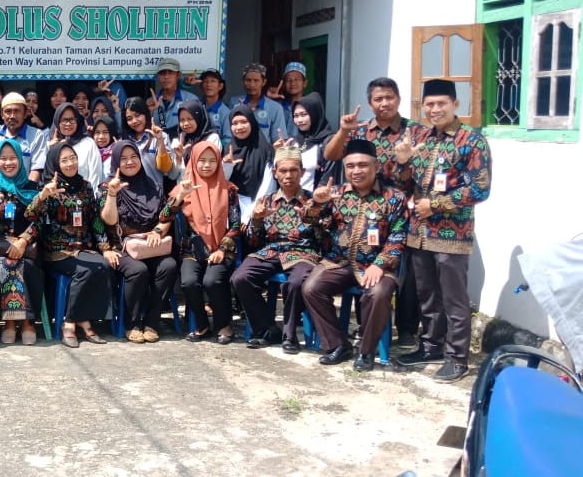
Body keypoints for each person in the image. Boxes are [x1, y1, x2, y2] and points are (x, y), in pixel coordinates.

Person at [395, 79, 492, 383]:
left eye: (441, 104)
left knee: (454, 299)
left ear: (455, 105)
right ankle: (431, 347)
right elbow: (406, 183)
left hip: (452, 234)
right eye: (429, 104)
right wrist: (403, 161)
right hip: (419, 233)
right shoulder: (420, 137)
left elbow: (480, 188)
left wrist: (434, 205)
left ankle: (457, 358)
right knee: (427, 296)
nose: (435, 109)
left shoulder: (471, 140)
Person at [323, 77, 429, 348]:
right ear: (370, 103)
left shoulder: (416, 131)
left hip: (401, 209)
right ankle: (365, 327)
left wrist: (407, 163)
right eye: (378, 99)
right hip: (362, 208)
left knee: (406, 270)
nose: (384, 103)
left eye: (389, 97)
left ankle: (406, 328)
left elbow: (425, 171)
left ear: (399, 99)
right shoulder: (360, 131)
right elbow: (331, 155)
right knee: (362, 262)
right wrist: (343, 131)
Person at [302, 139, 408, 371]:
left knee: (378, 294)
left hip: (377, 265)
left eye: (362, 165)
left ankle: (366, 351)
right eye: (350, 166)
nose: (356, 171)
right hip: (338, 261)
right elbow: (308, 221)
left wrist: (380, 264)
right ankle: (338, 344)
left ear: (376, 166)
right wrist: (316, 203)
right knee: (311, 288)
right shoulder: (336, 193)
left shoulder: (394, 197)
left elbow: (398, 237)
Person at [230, 146, 321, 351]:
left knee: (296, 282)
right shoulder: (266, 201)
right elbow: (253, 241)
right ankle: (267, 329)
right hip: (271, 251)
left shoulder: (313, 202)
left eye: (293, 170)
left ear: (302, 172)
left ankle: (290, 335)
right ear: (275, 173)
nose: (288, 175)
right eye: (283, 170)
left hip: (303, 253)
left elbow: (324, 241)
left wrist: (314, 219)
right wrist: (256, 220)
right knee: (240, 278)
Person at [27, 142, 115, 348]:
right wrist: (43, 196)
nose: (70, 164)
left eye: (73, 158)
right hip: (57, 250)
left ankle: (80, 319)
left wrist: (105, 248)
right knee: (86, 271)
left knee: (105, 265)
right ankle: (69, 323)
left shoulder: (86, 186)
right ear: (56, 164)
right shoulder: (49, 187)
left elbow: (95, 219)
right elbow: (30, 215)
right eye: (64, 160)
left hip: (82, 247)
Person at [99, 141, 178, 343]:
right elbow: (109, 220)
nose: (130, 162)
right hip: (120, 247)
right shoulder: (107, 186)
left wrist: (157, 231)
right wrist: (113, 194)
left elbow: (165, 217)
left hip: (150, 246)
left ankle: (152, 321)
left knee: (169, 266)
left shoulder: (152, 186)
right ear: (116, 162)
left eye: (134, 157)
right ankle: (132, 323)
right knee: (138, 270)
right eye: (123, 159)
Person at [163, 142, 240, 344]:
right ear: (193, 162)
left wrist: (222, 249)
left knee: (211, 281)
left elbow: (235, 224)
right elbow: (164, 216)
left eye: (212, 161)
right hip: (192, 251)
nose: (207, 165)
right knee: (189, 282)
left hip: (221, 249)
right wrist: (181, 195)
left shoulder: (229, 189)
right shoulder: (184, 187)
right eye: (202, 160)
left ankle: (224, 324)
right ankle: (202, 324)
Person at [0, 139, 43, 345]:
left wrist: (23, 241)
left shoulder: (31, 186)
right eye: (3, 158)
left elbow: (39, 220)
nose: (8, 163)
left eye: (13, 158)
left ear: (20, 160)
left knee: (27, 266)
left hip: (27, 248)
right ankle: (18, 322)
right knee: (7, 264)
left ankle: (19, 321)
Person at [32, 102, 104, 187]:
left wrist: (93, 194)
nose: (68, 124)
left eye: (72, 119)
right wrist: (50, 149)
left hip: (84, 193)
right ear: (57, 122)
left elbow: (95, 176)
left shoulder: (88, 144)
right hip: (56, 193)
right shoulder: (49, 146)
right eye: (64, 120)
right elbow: (44, 176)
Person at [226, 105, 274, 221]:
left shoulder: (265, 150)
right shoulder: (227, 150)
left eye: (244, 122)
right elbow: (223, 183)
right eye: (235, 123)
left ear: (252, 122)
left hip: (259, 208)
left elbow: (268, 184)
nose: (239, 127)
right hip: (233, 209)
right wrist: (226, 165)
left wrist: (251, 212)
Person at [0, 92, 46, 175]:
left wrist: (29, 184)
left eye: (17, 111)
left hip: (25, 183)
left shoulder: (36, 135)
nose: (12, 116)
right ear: (2, 114)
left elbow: (36, 171)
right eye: (8, 111)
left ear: (25, 114)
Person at [288, 92, 339, 191]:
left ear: (315, 114)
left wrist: (317, 197)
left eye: (304, 115)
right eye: (296, 116)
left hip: (316, 198)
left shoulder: (327, 141)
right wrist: (282, 153)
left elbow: (328, 177)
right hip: (293, 198)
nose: (299, 120)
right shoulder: (293, 142)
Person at [226, 63, 287, 144]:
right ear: (243, 81)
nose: (252, 84)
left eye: (256, 80)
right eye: (248, 80)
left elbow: (278, 140)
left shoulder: (275, 108)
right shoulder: (234, 103)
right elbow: (228, 134)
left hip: (265, 152)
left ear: (264, 82)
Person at [122, 97, 175, 187]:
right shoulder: (124, 140)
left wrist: (160, 140)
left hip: (154, 192)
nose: (134, 121)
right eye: (129, 118)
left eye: (138, 115)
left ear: (146, 114)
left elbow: (165, 168)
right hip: (130, 193)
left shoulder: (161, 136)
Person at [151, 57, 200, 137]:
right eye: (162, 73)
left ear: (178, 75)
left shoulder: (191, 100)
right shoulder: (151, 102)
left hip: (183, 143)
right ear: (158, 76)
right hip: (158, 143)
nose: (166, 76)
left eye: (170, 72)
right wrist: (148, 111)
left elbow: (199, 128)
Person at [173, 99, 221, 170]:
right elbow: (173, 174)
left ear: (199, 118)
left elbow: (210, 169)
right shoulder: (181, 139)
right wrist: (179, 158)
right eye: (182, 120)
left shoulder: (212, 138)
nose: (186, 123)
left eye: (190, 119)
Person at [186, 68, 231, 142]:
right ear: (201, 86)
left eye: (213, 81)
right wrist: (186, 83)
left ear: (220, 86)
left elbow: (228, 139)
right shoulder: (195, 105)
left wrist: (213, 145)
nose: (209, 84)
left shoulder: (226, 113)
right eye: (205, 81)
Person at [278, 62, 311, 133]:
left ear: (305, 83)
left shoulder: (311, 108)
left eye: (296, 79)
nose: (292, 83)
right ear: (284, 84)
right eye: (288, 80)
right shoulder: (278, 107)